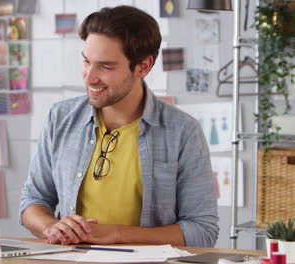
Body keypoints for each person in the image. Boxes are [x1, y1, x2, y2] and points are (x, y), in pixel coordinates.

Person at [19, 6, 219, 248]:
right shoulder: (60, 117)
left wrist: (114, 235)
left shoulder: (183, 131)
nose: (89, 77)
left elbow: (202, 230)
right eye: (86, 61)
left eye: (106, 67)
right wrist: (51, 226)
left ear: (143, 67)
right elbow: (33, 200)